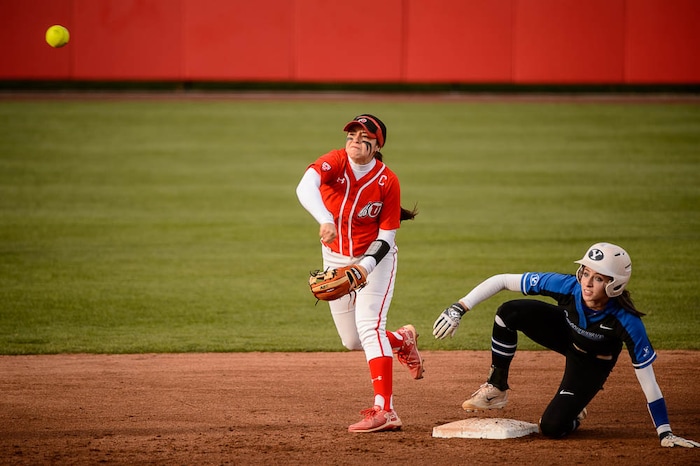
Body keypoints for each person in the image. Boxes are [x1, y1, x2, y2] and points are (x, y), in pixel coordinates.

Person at [432, 242, 699, 447]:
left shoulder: (626, 321)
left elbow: (648, 380)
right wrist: (459, 307)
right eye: (586, 273)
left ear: (614, 285)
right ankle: (497, 387)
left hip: (591, 364)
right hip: (565, 332)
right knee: (509, 312)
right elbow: (502, 280)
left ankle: (575, 408)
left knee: (552, 427)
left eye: (598, 278)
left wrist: (665, 431)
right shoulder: (568, 286)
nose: (587, 282)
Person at [296, 114, 422, 433]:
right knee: (352, 340)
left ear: (377, 145)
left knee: (369, 326)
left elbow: (387, 237)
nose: (354, 139)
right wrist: (325, 219)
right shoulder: (335, 162)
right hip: (336, 258)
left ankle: (385, 410)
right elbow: (305, 185)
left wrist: (362, 269)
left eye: (363, 135)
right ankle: (402, 339)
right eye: (351, 134)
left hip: (375, 261)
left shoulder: (386, 180)